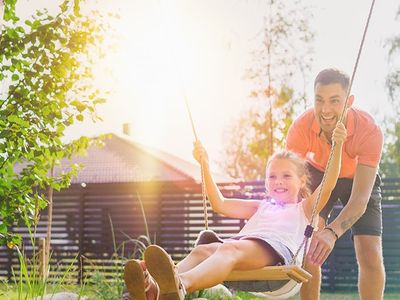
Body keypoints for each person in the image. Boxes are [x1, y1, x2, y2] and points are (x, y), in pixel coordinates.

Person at [123, 122, 347, 300]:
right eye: (272, 176)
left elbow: (329, 182)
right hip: (244, 247)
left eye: (286, 176)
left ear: (302, 181)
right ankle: (155, 290)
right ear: (267, 184)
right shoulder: (260, 207)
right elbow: (219, 203)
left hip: (277, 255)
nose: (279, 181)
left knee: (229, 248)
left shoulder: (304, 208)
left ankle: (181, 285)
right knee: (204, 251)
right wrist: (205, 166)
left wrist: (336, 147)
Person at [286, 68, 385, 300]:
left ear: (349, 102)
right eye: (319, 100)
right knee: (310, 248)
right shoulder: (300, 128)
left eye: (334, 101)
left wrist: (332, 231)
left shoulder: (369, 130)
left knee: (370, 253)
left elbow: (360, 200)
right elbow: (290, 180)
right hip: (319, 174)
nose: (325, 110)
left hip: (357, 179)